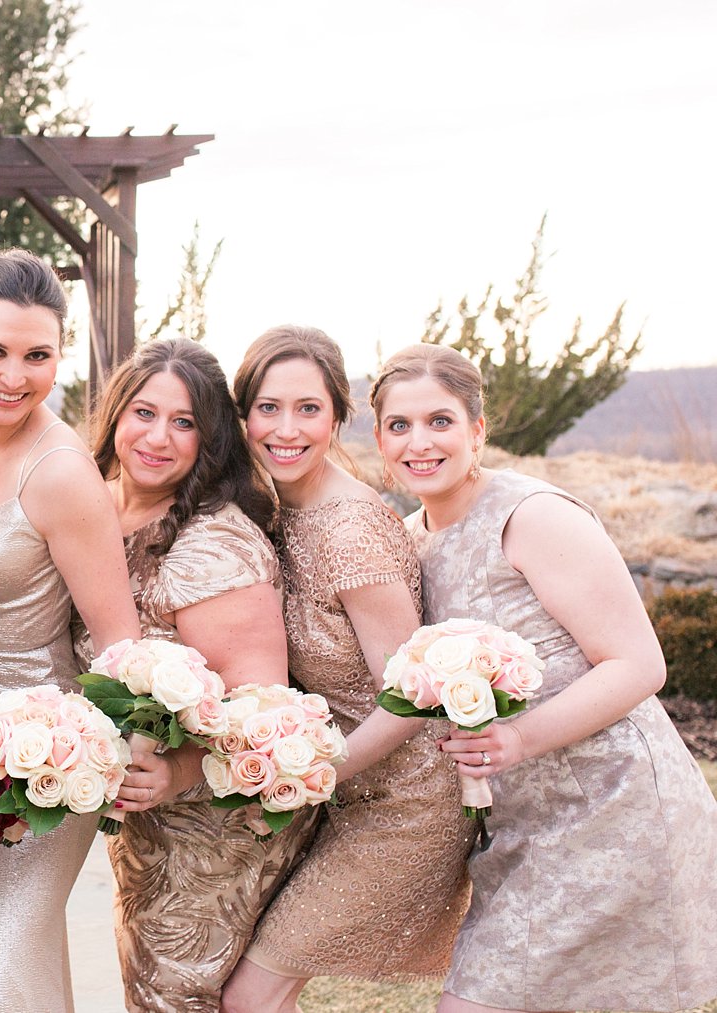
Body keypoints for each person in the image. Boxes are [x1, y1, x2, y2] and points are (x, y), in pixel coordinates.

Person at [371, 343, 717, 1013]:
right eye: (399, 425)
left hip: (615, 808)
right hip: (521, 824)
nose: (420, 442)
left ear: (477, 429)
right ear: (380, 437)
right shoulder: (409, 538)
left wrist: (519, 739)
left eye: (440, 421)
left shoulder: (532, 516)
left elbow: (639, 663)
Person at [218, 326, 472, 1011]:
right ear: (243, 415)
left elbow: (413, 694)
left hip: (407, 801)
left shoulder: (349, 526)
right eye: (268, 407)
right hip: (345, 793)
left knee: (250, 995)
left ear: (337, 415)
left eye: (308, 408)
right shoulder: (273, 509)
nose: (286, 428)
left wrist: (310, 777)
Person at [71, 337, 317, 1012]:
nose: (158, 437)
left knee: (174, 997)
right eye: (144, 413)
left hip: (215, 823)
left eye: (183, 422)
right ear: (116, 413)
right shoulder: (96, 508)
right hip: (146, 816)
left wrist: (175, 770)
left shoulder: (212, 543)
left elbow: (259, 709)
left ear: (210, 441)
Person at [0, 249, 141, 1013]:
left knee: (0, 976)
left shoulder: (59, 472)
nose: (14, 376)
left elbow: (119, 642)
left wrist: (140, 759)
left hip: (44, 761)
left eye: (38, 355)